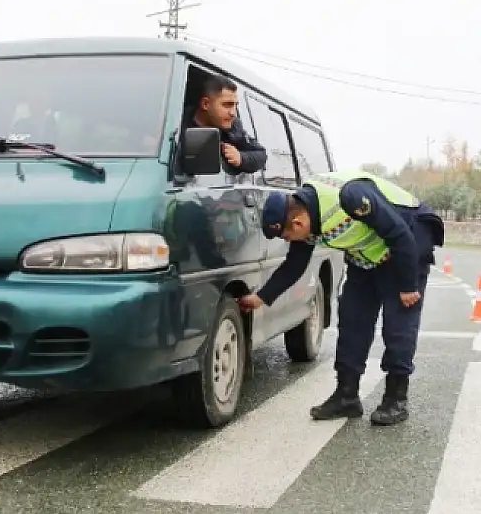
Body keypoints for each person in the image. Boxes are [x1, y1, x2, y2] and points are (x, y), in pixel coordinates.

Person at [237, 170, 445, 425]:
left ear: (298, 223)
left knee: (397, 325)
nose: (289, 241)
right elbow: (293, 266)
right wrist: (259, 298)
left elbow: (400, 234)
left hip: (406, 248)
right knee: (352, 319)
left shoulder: (352, 197)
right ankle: (346, 396)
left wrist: (408, 286)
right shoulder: (306, 216)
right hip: (366, 258)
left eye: (287, 236)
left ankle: (395, 399)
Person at [183, 74, 267, 174]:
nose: (233, 113)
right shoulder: (177, 124)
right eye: (227, 105)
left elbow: (261, 154)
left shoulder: (234, 127)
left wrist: (241, 158)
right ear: (205, 104)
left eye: (235, 105)